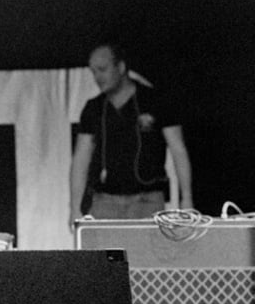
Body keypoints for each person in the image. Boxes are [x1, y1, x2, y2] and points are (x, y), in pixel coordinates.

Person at [70, 42, 194, 227]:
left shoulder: (155, 100)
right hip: (105, 201)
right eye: (93, 71)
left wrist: (187, 199)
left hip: (148, 200)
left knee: (146, 254)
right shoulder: (93, 108)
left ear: (120, 67)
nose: (97, 77)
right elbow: (80, 159)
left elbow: (178, 150)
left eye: (102, 70)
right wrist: (74, 208)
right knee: (103, 253)